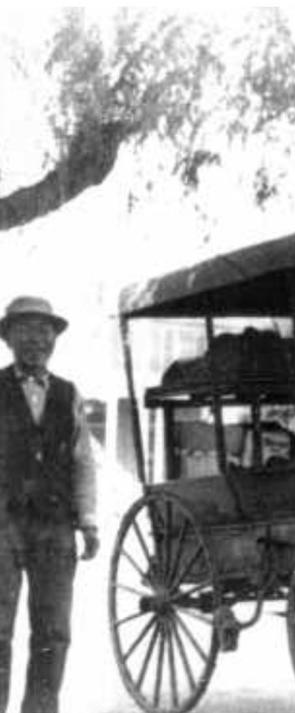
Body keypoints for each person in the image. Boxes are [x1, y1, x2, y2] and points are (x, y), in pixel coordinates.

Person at [0, 296, 98, 713]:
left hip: (56, 526)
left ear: (54, 339)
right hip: (3, 524)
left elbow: (82, 460)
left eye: (45, 330)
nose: (36, 339)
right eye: (26, 329)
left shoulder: (68, 393)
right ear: (8, 337)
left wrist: (89, 520)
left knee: (54, 630)